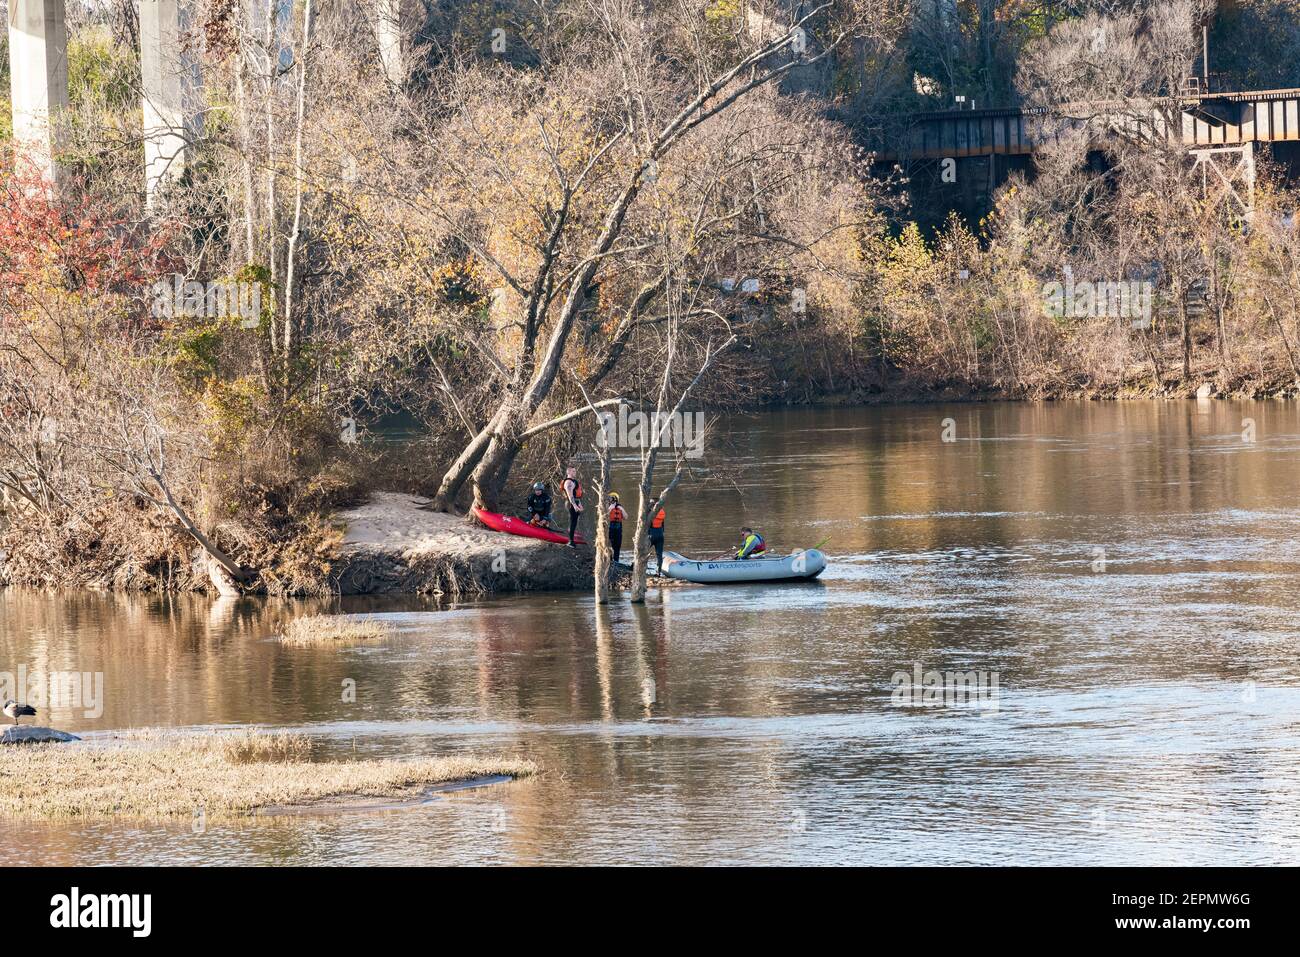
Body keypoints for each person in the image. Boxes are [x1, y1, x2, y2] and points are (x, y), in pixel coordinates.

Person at [561, 466, 583, 546]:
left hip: (575, 502)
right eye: (573, 471)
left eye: (575, 471)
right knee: (572, 522)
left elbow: (576, 494)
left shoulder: (574, 481)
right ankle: (570, 541)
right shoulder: (569, 483)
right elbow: (570, 495)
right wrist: (574, 505)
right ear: (568, 472)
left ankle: (572, 537)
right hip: (571, 503)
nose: (575, 472)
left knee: (575, 521)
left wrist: (579, 504)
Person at [607, 493, 626, 564]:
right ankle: (609, 560)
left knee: (617, 545)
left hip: (618, 528)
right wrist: (610, 508)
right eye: (611, 499)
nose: (612, 501)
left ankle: (616, 561)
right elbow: (604, 516)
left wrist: (622, 509)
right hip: (609, 528)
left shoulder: (620, 507)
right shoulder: (607, 506)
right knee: (609, 545)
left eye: (613, 499)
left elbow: (626, 517)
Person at [648, 502, 666, 573]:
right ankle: (659, 571)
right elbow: (663, 526)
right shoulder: (662, 512)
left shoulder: (650, 513)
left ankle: (639, 568)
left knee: (643, 552)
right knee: (659, 554)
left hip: (651, 535)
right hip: (660, 534)